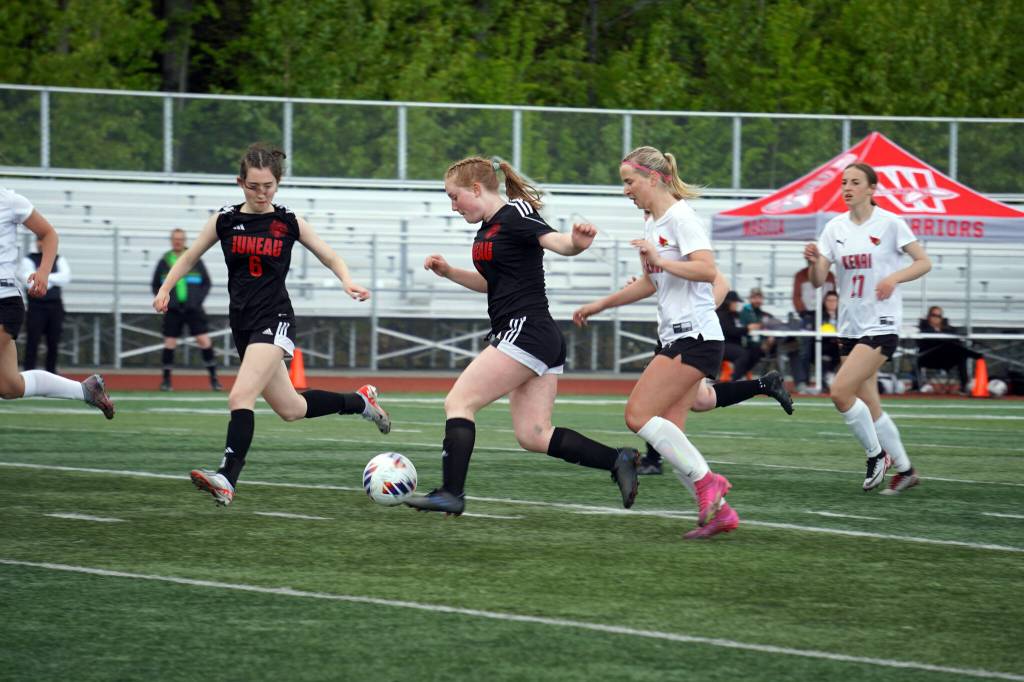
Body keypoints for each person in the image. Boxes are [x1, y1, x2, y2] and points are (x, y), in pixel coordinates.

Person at [152, 143, 390, 507]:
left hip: (274, 318)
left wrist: (346, 279)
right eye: (254, 186)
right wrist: (166, 288)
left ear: (278, 182)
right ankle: (360, 402)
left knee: (239, 396)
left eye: (269, 186)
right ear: (240, 182)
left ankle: (227, 478)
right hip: (243, 324)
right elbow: (189, 256)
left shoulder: (288, 221)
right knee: (291, 408)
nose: (262, 193)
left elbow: (329, 255)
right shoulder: (225, 220)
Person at [402, 156, 640, 516]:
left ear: (477, 189)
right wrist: (449, 271)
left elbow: (557, 242)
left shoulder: (516, 212)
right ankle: (618, 459)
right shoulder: (488, 228)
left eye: (454, 196)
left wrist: (576, 243)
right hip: (533, 334)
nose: (452, 206)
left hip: (525, 330)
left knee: (459, 403)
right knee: (534, 435)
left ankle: (452, 492)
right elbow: (491, 284)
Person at [573, 145, 739, 540]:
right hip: (679, 336)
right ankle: (721, 513)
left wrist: (661, 260)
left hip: (694, 336)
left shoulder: (681, 217)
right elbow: (651, 283)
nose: (625, 190)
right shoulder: (653, 222)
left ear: (654, 178)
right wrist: (601, 304)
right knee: (670, 437)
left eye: (629, 182)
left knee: (637, 415)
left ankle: (708, 485)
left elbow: (707, 270)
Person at [803, 162, 931, 495]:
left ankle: (877, 455)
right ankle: (906, 470)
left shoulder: (890, 223)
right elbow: (819, 281)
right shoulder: (834, 228)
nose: (847, 187)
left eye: (855, 182)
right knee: (870, 403)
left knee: (840, 391)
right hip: (850, 326)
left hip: (881, 323)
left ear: (871, 189)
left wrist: (893, 277)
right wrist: (812, 262)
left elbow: (923, 261)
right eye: (844, 182)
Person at [637, 274, 793, 476]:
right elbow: (666, 286)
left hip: (684, 336)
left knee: (655, 398)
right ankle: (764, 384)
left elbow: (717, 280)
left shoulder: (682, 252)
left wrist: (699, 313)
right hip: (678, 334)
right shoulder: (667, 257)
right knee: (702, 400)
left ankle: (660, 463)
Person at [0, 187, 114, 418]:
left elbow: (49, 234)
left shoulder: (10, 200)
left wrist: (43, 272)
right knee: (9, 386)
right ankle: (85, 390)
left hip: (4, 301)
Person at [151, 228, 221, 391]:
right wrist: (163, 300)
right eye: (175, 239)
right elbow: (156, 284)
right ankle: (166, 381)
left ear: (184, 240)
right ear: (171, 240)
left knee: (204, 340)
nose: (178, 241)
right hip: (173, 310)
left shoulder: (194, 258)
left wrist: (197, 301)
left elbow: (206, 283)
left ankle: (214, 379)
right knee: (169, 343)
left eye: (180, 239)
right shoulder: (165, 260)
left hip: (193, 309)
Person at [18, 237, 71, 373]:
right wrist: (52, 279)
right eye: (39, 241)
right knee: (32, 341)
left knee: (53, 341)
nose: (42, 244)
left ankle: (51, 372)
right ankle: (28, 372)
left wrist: (42, 277)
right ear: (36, 243)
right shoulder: (29, 259)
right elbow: (28, 281)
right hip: (36, 306)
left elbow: (65, 277)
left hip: (55, 306)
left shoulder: (58, 259)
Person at [917, 305, 982, 393]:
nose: (936, 318)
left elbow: (956, 338)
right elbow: (924, 342)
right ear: (929, 316)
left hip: (946, 358)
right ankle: (975, 355)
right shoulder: (923, 328)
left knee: (959, 354)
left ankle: (965, 385)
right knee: (952, 347)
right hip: (929, 357)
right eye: (934, 315)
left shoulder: (948, 329)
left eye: (939, 316)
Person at [792, 265, 836, 392]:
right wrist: (803, 312)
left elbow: (832, 293)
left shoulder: (830, 276)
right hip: (808, 316)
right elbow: (796, 296)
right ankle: (803, 382)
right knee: (805, 346)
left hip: (827, 325)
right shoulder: (801, 275)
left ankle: (829, 380)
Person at [718, 290, 763, 380]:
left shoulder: (735, 315)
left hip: (737, 344)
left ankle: (738, 374)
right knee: (742, 354)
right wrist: (747, 328)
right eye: (735, 302)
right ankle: (733, 380)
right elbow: (730, 331)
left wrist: (751, 327)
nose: (736, 304)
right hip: (723, 345)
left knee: (757, 350)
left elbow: (741, 327)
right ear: (728, 302)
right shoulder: (721, 315)